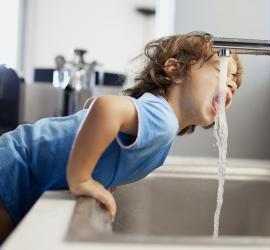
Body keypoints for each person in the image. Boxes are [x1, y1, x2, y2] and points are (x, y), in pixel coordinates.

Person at [0, 32, 243, 243]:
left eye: (235, 82)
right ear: (175, 69)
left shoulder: (156, 116)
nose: (231, 84)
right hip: (16, 165)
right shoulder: (163, 118)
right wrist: (83, 178)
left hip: (21, 166)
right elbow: (105, 107)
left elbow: (92, 106)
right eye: (222, 71)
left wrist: (100, 170)